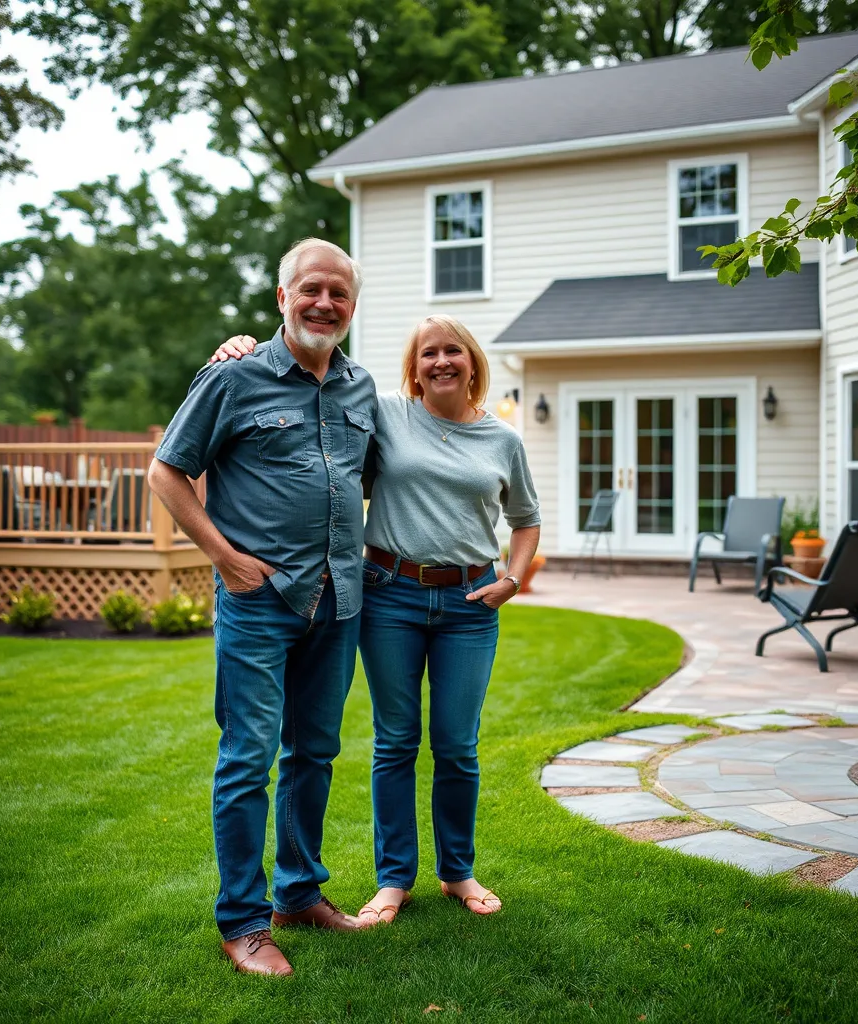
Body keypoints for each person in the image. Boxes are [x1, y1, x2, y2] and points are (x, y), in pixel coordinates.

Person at [210, 314, 540, 927]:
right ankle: (395, 880)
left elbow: (526, 519)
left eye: (453, 351)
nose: (441, 361)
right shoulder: (384, 411)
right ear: (413, 368)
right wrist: (242, 347)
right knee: (394, 742)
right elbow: (308, 393)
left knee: (457, 745)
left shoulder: (504, 441)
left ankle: (457, 872)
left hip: (470, 605)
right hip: (388, 595)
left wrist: (512, 581)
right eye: (428, 353)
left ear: (473, 363)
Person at [148, 238, 376, 979]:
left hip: (338, 600)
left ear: (351, 306)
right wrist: (223, 556)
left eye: (339, 294)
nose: (324, 303)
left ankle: (299, 894)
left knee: (315, 753)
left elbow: (365, 478)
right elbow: (167, 470)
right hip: (258, 601)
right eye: (311, 289)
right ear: (283, 297)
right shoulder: (233, 377)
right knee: (248, 758)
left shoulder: (361, 388)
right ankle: (243, 922)